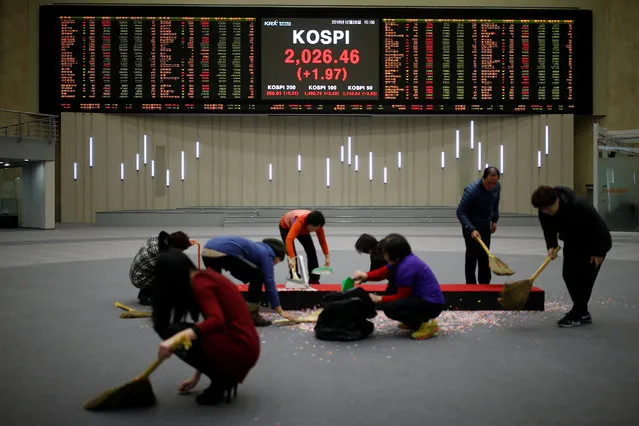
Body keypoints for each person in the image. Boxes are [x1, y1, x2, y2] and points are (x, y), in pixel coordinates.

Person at [152, 249, 260, 406]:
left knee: (174, 331)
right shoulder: (204, 277)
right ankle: (221, 376)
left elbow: (216, 321)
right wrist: (196, 377)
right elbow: (210, 335)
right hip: (246, 346)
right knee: (182, 331)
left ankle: (222, 378)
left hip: (239, 348)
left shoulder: (201, 285)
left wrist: (174, 340)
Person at [531, 185, 612, 327]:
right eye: (544, 209)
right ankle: (582, 312)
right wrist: (551, 245)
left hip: (593, 243)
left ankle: (578, 313)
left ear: (557, 200)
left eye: (550, 207)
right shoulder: (543, 210)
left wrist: (599, 252)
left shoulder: (578, 205)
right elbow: (548, 230)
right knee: (569, 275)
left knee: (585, 279)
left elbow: (600, 228)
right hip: (572, 241)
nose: (547, 212)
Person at [352, 234, 444, 341]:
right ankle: (414, 322)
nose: (384, 257)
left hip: (431, 304)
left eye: (385, 254)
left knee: (391, 308)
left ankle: (426, 324)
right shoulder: (402, 260)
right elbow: (384, 272)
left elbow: (401, 296)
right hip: (422, 298)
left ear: (395, 255)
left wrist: (379, 299)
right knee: (391, 296)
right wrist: (365, 276)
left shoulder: (406, 267)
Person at [201, 236, 296, 326]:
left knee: (215, 284)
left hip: (206, 250)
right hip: (225, 252)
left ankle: (212, 314)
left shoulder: (256, 247)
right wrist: (279, 310)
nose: (275, 263)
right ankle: (252, 315)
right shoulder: (267, 254)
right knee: (258, 276)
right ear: (277, 255)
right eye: (278, 261)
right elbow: (269, 281)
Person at [456, 166, 501, 284]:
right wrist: (471, 229)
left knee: (485, 256)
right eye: (489, 183)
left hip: (485, 224)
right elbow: (460, 212)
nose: (491, 186)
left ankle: (485, 285)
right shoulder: (471, 191)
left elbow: (495, 203)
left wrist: (494, 220)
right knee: (472, 256)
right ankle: (471, 286)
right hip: (471, 225)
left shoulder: (497, 187)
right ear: (483, 178)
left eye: (494, 183)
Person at [129, 230, 191, 305]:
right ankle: (146, 297)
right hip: (139, 279)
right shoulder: (161, 255)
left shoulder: (159, 238)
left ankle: (146, 291)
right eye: (181, 250)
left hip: (137, 271)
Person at [279, 209, 330, 284]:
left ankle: (314, 278)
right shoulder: (300, 221)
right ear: (309, 224)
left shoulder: (317, 225)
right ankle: (294, 277)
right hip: (286, 227)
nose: (315, 230)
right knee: (292, 253)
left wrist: (327, 257)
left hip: (303, 229)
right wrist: (292, 258)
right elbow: (289, 240)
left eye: (317, 228)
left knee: (311, 251)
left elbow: (322, 241)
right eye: (314, 228)